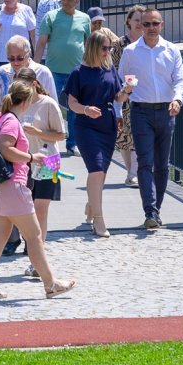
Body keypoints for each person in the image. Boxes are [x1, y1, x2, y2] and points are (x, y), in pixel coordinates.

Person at [0, 79, 76, 300]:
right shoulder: (11, 121)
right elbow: (6, 149)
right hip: (11, 186)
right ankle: (51, 284)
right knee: (34, 235)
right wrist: (31, 157)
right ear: (26, 101)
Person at [118, 7, 183, 230]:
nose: (149, 28)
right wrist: (126, 91)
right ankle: (150, 210)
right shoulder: (130, 51)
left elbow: (180, 80)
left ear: (162, 25)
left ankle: (155, 210)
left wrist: (177, 99)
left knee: (163, 164)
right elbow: (122, 80)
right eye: (145, 24)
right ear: (139, 26)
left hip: (167, 110)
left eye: (154, 24)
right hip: (141, 111)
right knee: (145, 162)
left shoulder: (171, 50)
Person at [66, 31, 133, 238]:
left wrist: (127, 90)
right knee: (96, 169)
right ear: (94, 48)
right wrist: (85, 109)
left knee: (101, 172)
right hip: (86, 126)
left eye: (109, 48)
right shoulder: (78, 72)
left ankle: (91, 204)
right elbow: (72, 103)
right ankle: (99, 219)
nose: (108, 52)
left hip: (107, 125)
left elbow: (117, 98)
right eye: (104, 48)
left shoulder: (110, 69)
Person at [16, 66, 66, 270]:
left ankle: (37, 260)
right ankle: (33, 249)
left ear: (34, 84)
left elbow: (60, 135)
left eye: (24, 87)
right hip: (24, 161)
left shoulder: (48, 104)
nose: (20, 92)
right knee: (26, 211)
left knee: (40, 210)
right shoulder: (17, 104)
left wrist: (37, 131)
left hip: (47, 160)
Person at [36, 0, 89, 156]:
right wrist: (35, 67)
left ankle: (72, 144)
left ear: (77, 1)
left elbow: (88, 44)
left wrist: (90, 66)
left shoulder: (85, 18)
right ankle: (47, 140)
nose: (66, 2)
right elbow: (42, 42)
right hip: (54, 71)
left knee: (75, 109)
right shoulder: (51, 16)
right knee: (49, 106)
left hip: (77, 71)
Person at [113, 6, 147, 187]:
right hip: (124, 94)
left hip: (143, 95)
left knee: (136, 135)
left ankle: (133, 173)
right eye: (136, 20)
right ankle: (130, 172)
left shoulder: (148, 42)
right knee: (125, 137)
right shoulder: (120, 44)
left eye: (142, 20)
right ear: (128, 22)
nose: (140, 23)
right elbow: (115, 68)